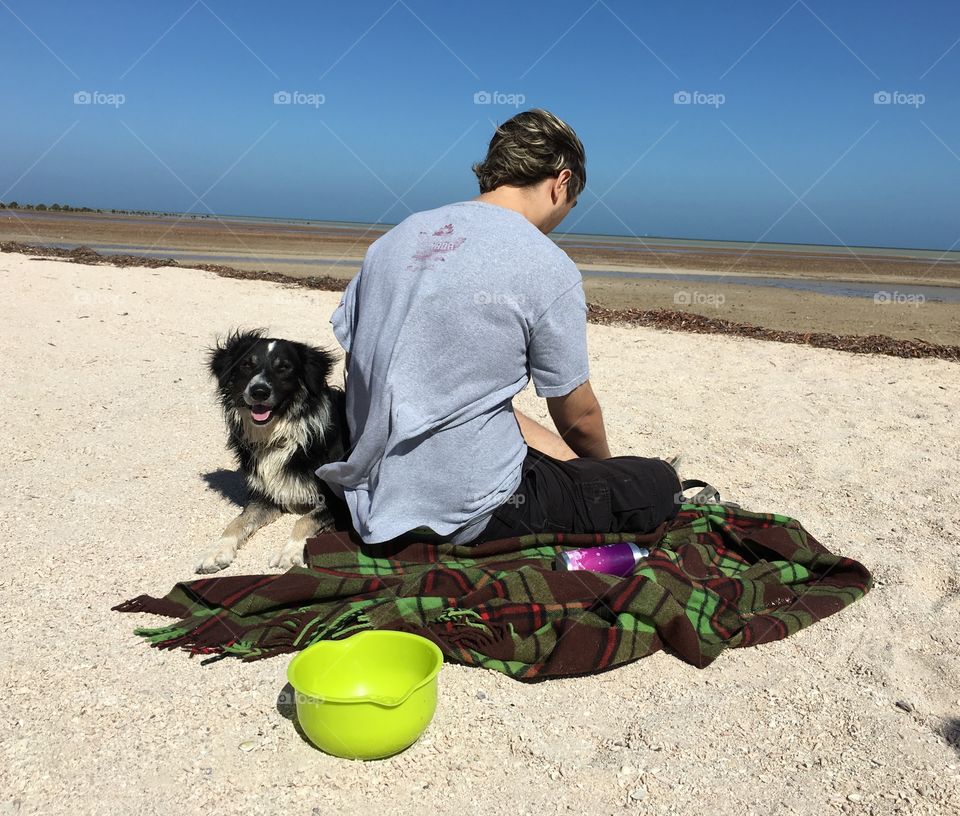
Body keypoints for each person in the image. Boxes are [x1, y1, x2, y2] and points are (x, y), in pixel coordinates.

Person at [315, 108, 681, 546]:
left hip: (372, 497)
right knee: (655, 480)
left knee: (505, 416)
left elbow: (373, 369)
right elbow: (579, 416)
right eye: (571, 205)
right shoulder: (545, 263)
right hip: (475, 512)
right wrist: (604, 472)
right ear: (560, 183)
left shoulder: (395, 239)